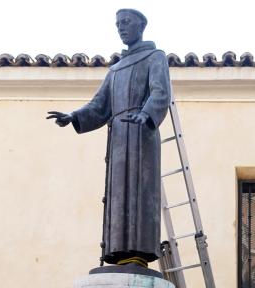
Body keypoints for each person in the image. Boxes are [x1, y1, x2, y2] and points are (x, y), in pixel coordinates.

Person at [46, 8, 171, 266]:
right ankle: (119, 252)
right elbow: (99, 105)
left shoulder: (155, 57)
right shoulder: (115, 69)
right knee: (118, 194)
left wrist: (146, 114)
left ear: (141, 26)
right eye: (117, 24)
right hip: (118, 140)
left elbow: (160, 92)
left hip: (142, 134)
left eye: (126, 22)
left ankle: (139, 252)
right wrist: (73, 116)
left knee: (140, 191)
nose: (121, 28)